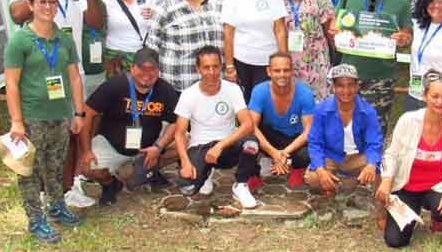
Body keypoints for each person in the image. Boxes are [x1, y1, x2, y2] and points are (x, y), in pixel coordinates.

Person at [3, 0, 86, 244]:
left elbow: (74, 77)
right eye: (42, 2)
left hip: (59, 114)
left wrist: (79, 112)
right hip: (31, 116)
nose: (48, 7)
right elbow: (12, 84)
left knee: (55, 164)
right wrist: (17, 121)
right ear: (30, 5)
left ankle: (57, 206)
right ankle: (35, 219)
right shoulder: (20, 41)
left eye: (52, 2)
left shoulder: (64, 39)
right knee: (29, 170)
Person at [78, 47, 180, 206]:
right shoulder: (115, 85)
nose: (147, 73)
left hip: (149, 147)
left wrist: (158, 147)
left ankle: (149, 170)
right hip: (113, 146)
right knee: (89, 168)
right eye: (142, 68)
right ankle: (110, 184)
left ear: (158, 71)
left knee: (186, 143)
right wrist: (86, 150)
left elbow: (175, 122)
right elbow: (88, 113)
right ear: (132, 68)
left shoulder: (165, 89)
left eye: (152, 69)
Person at [375, 71, 442, 247]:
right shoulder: (408, 120)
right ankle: (407, 213)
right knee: (395, 242)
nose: (440, 102)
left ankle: (435, 215)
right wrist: (386, 179)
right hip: (407, 187)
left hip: (436, 187)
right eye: (435, 96)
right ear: (425, 96)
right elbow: (391, 154)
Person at [328, 0, 413, 133]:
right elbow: (335, 22)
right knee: (345, 131)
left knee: (375, 132)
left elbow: (407, 36)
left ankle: (372, 163)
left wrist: (403, 38)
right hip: (348, 75)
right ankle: (347, 162)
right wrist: (334, 29)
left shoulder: (400, 1)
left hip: (381, 78)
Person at [172, 46, 260, 208]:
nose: (211, 72)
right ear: (198, 69)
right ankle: (205, 173)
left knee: (251, 143)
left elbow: (247, 124)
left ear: (221, 67)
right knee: (187, 187)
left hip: (226, 146)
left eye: (215, 67)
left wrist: (220, 146)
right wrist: (185, 162)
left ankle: (240, 185)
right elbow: (179, 133)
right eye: (206, 67)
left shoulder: (233, 89)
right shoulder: (188, 95)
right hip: (201, 147)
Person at [221, 0, 288, 102]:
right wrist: (230, 67)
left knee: (265, 105)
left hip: (267, 63)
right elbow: (228, 33)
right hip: (241, 62)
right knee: (242, 105)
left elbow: (280, 30)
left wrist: (284, 61)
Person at [146, 0, 224, 92]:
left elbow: (230, 37)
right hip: (178, 84)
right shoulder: (165, 5)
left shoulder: (219, 2)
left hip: (215, 82)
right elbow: (152, 45)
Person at [305, 64, 383, 196]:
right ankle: (342, 185)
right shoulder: (321, 110)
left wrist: (371, 164)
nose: (346, 90)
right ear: (333, 88)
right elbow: (315, 143)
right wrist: (320, 169)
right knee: (313, 178)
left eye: (351, 85)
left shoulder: (368, 111)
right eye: (341, 85)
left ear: (357, 87)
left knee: (381, 171)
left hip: (358, 156)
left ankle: (379, 210)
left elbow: (374, 143)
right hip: (331, 156)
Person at [241, 52, 315, 189]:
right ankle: (253, 175)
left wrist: (283, 154)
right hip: (271, 135)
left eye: (286, 70)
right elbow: (252, 127)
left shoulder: (305, 94)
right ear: (269, 71)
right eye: (277, 70)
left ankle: (296, 168)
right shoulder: (260, 90)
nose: (282, 74)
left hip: (295, 140)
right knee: (247, 136)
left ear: (292, 71)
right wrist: (274, 152)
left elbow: (308, 132)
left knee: (312, 146)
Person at [275, 0, 335, 101]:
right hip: (287, 63)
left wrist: (337, 57)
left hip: (317, 63)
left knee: (318, 107)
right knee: (291, 106)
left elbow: (330, 27)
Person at [101, 0, 150, 75]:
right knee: (118, 92)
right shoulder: (106, 2)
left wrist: (153, 15)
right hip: (116, 61)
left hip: (142, 58)